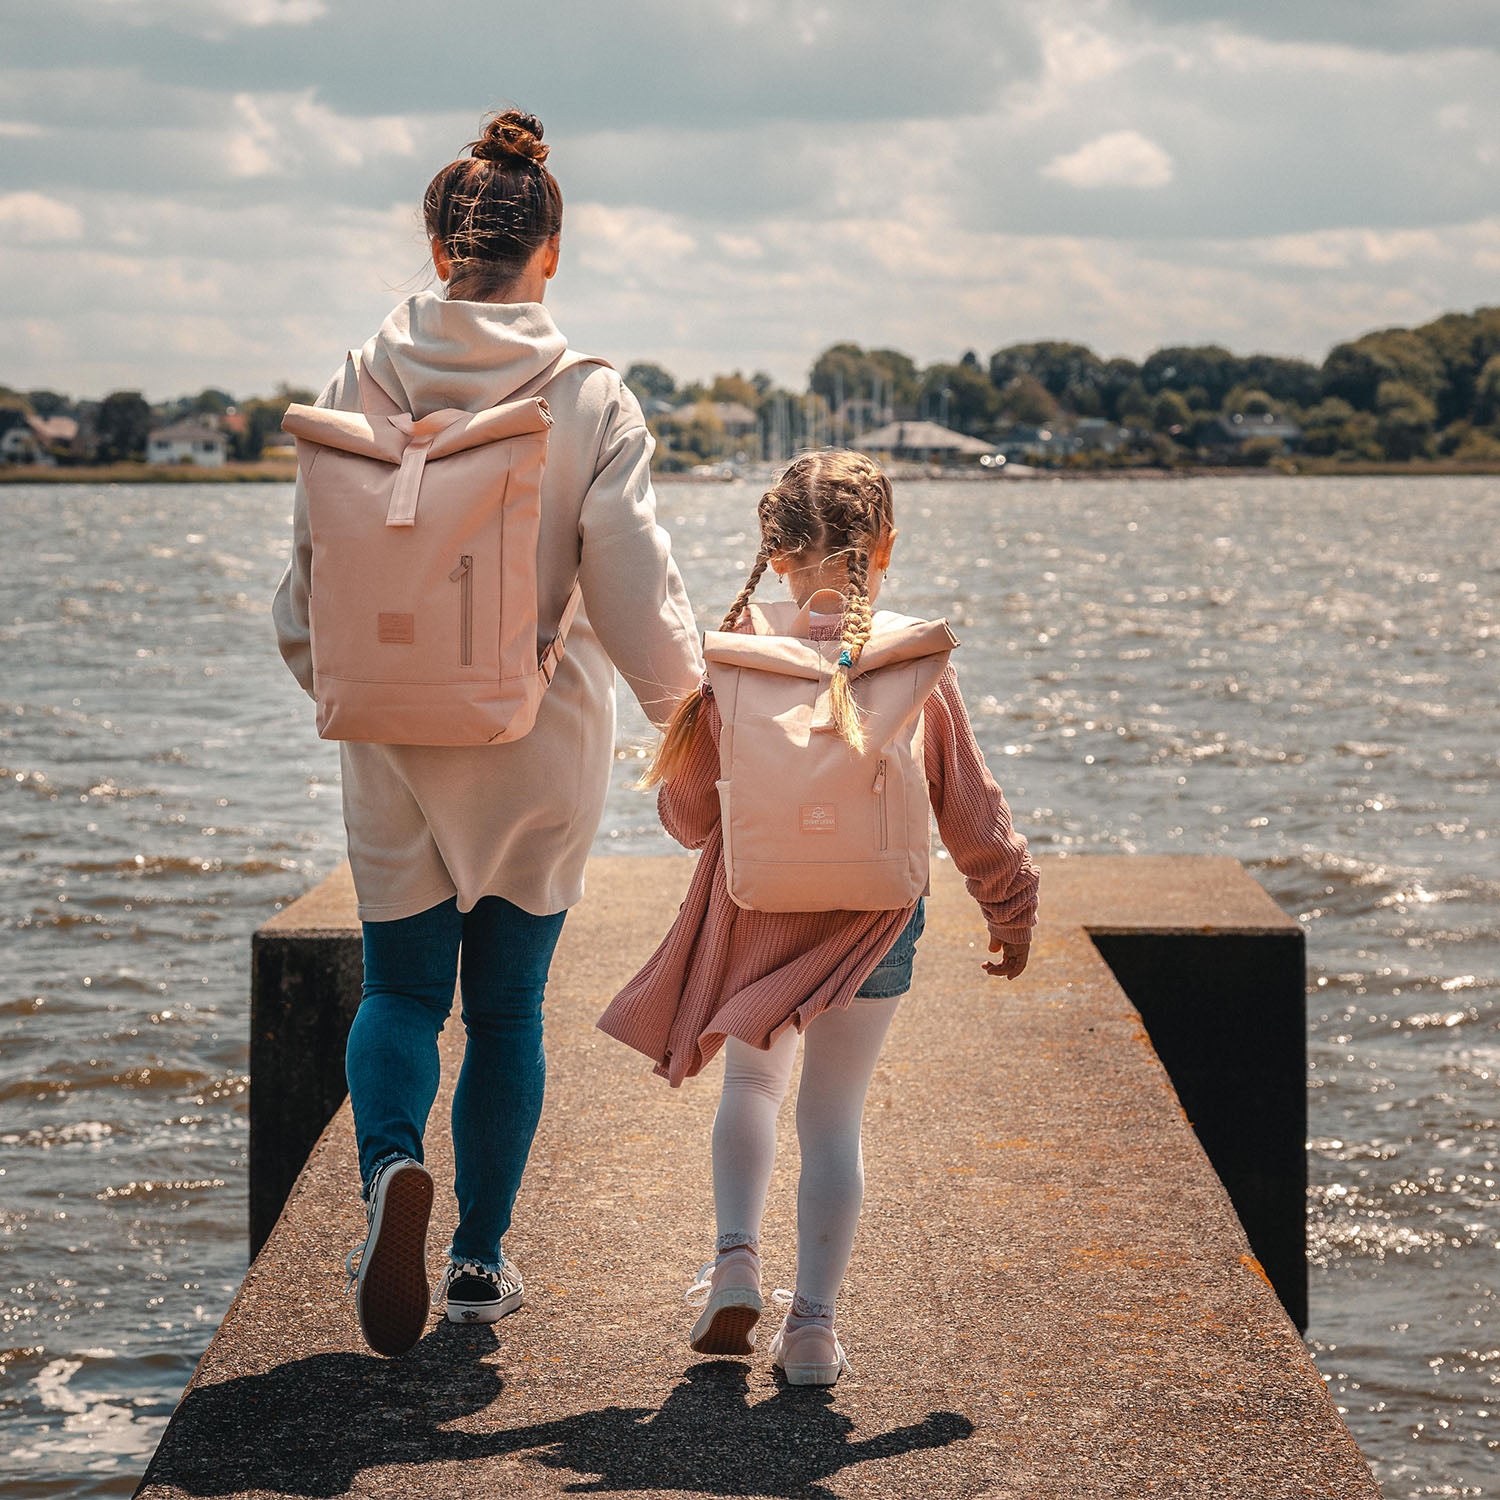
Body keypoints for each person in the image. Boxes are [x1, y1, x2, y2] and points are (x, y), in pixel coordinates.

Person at [272, 110, 702, 1357]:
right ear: (550, 248)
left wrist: (345, 691)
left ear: (433, 240)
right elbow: (631, 583)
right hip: (535, 730)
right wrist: (691, 725)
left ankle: (389, 1171)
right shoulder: (587, 396)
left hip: (391, 730)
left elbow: (309, 581)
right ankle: (474, 1265)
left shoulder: (358, 375)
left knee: (402, 986)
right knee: (507, 1013)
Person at [597, 450, 1039, 1385]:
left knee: (751, 1090)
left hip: (758, 914)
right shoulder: (914, 662)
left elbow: (686, 820)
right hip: (876, 917)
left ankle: (733, 1264)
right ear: (885, 547)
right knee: (833, 1119)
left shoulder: (735, 661)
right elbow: (972, 813)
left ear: (775, 551)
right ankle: (813, 1333)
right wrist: (1011, 909)